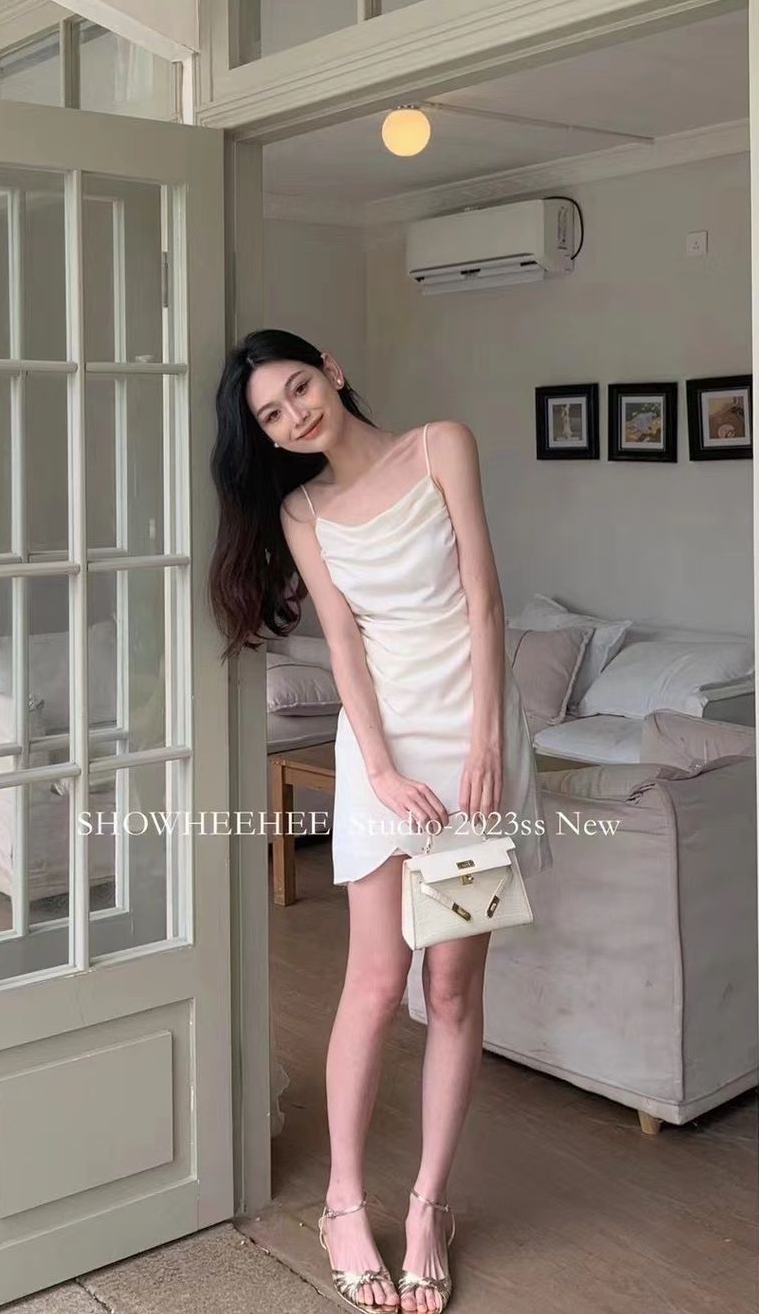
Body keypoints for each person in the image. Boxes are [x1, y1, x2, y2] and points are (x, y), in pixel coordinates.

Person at [207, 328, 552, 1312]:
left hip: (475, 749)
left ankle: (430, 1207)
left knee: (452, 987)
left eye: (298, 388)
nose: (294, 415)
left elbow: (484, 602)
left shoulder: (440, 445)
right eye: (271, 415)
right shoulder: (302, 510)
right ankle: (344, 1205)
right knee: (373, 981)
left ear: (332, 370)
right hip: (381, 758)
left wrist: (487, 744)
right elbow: (346, 649)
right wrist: (384, 770)